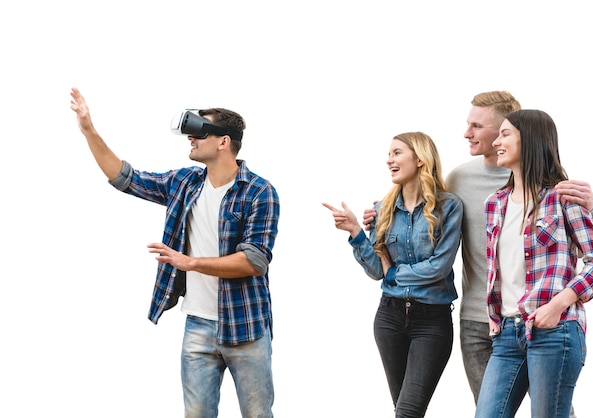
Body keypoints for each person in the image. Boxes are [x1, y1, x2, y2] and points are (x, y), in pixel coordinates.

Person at [363, 91, 593, 417]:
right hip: (484, 322)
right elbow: (424, 208)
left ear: (514, 133)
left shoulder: (556, 190)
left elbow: (585, 249)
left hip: (548, 324)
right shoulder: (474, 188)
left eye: (478, 126)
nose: (467, 133)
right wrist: (381, 213)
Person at [70, 87, 280, 418]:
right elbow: (125, 177)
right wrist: (88, 130)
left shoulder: (259, 192)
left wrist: (191, 262)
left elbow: (254, 261)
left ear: (224, 141)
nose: (191, 140)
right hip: (198, 325)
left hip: (246, 328)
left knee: (257, 414)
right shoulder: (184, 183)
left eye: (199, 132)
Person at [474, 109, 593, 417]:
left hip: (554, 331)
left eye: (506, 134)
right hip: (507, 334)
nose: (497, 141)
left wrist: (556, 305)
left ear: (531, 140)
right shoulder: (493, 204)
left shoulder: (562, 197)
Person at [323, 132, 463, 418]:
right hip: (389, 317)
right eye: (389, 154)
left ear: (420, 160)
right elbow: (377, 271)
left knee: (408, 411)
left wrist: (393, 272)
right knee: (404, 409)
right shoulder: (381, 210)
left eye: (397, 153)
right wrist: (355, 232)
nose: (389, 160)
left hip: (431, 321)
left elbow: (439, 267)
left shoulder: (448, 207)